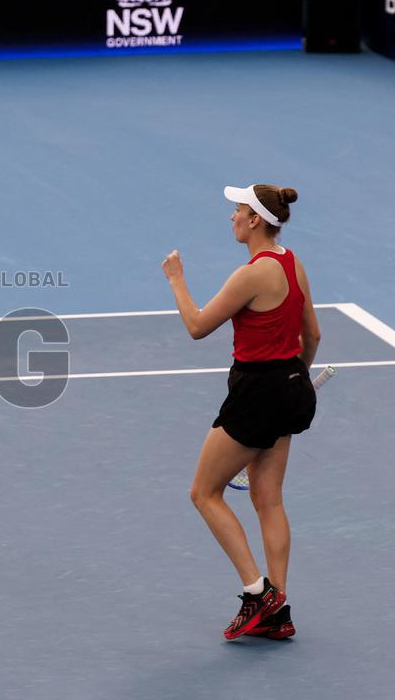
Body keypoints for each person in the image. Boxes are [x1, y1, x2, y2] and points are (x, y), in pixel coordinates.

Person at [161, 183, 320, 640]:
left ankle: (258, 593)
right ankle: (278, 609)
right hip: (291, 385)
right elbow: (313, 335)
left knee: (204, 493)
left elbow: (196, 326)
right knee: (267, 500)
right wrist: (297, 381)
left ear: (254, 221)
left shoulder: (251, 274)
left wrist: (176, 279)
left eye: (236, 210)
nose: (230, 216)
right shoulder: (294, 264)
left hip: (257, 393)